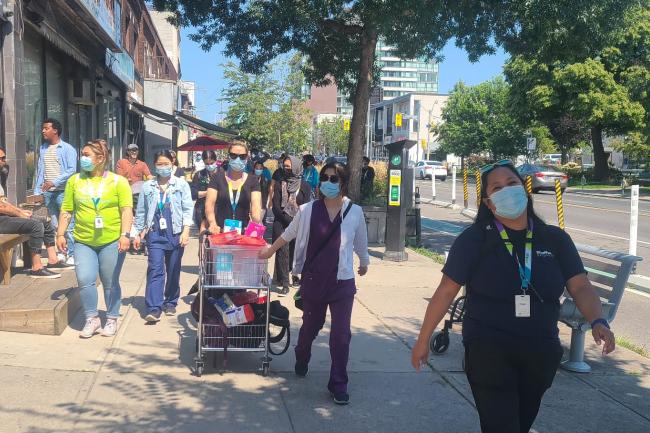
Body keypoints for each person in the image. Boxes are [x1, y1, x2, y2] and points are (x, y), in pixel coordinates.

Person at [411, 160, 616, 433]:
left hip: (540, 351)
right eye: (497, 188)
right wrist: (423, 339)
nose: (506, 190)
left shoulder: (553, 239)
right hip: (488, 349)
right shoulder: (474, 239)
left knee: (520, 422)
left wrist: (599, 321)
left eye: (512, 183)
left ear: (524, 189)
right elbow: (446, 291)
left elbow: (579, 286)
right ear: (488, 202)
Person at [259, 162, 369, 405]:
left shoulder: (354, 212)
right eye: (325, 178)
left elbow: (360, 240)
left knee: (341, 335)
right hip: (314, 281)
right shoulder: (308, 210)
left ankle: (338, 383)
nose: (329, 183)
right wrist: (269, 251)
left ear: (343, 182)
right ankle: (302, 355)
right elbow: (288, 234)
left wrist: (364, 262)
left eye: (334, 179)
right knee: (310, 327)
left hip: (342, 284)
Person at [57, 140, 133, 338]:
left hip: (111, 241)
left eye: (86, 154)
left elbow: (126, 210)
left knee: (109, 281)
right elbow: (66, 209)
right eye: (82, 154)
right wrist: (60, 233)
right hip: (83, 241)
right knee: (85, 279)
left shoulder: (118, 182)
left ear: (100, 158)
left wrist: (125, 234)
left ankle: (111, 318)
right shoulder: (75, 181)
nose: (83, 158)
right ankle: (91, 318)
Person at [134, 150, 193, 322]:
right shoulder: (148, 186)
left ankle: (171, 301)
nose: (163, 167)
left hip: (175, 233)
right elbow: (142, 211)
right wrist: (138, 233)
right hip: (154, 234)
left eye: (166, 163)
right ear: (154, 165)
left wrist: (186, 230)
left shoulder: (181, 185)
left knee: (173, 269)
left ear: (172, 163)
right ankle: (154, 307)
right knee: (155, 269)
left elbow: (187, 208)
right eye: (159, 164)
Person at [0, 147, 66, 278]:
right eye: (1, 159)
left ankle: (53, 260)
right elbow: (1, 207)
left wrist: (20, 210)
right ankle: (36, 268)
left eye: (4, 158)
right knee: (35, 225)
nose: (4, 161)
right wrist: (19, 214)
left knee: (44, 221)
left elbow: (4, 203)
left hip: (4, 217)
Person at [34, 118, 77, 265]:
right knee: (54, 225)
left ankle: (72, 253)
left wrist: (54, 182)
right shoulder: (43, 148)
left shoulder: (67, 149)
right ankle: (61, 253)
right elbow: (40, 171)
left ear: (55, 131)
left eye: (46, 128)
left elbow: (72, 170)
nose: (43, 131)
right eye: (43, 128)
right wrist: (37, 190)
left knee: (68, 224)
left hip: (63, 191)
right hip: (48, 193)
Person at [272, 155, 312, 294]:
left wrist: (297, 223)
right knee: (282, 251)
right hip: (281, 222)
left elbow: (307, 206)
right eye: (285, 166)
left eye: (289, 167)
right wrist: (288, 220)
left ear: (296, 167)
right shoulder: (279, 183)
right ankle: (284, 282)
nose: (286, 169)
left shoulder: (305, 186)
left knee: (295, 251)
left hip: (299, 223)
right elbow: (275, 206)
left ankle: (294, 274)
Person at [205, 139, 262, 234]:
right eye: (234, 155)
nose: (238, 159)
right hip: (220, 233)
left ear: (247, 158)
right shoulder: (216, 178)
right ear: (229, 157)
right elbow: (209, 205)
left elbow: (256, 208)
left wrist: (255, 224)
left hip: (243, 234)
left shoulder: (253, 180)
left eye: (242, 156)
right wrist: (212, 223)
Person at [116, 143, 152, 254]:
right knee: (125, 216)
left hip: (137, 194)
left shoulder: (142, 164)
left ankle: (141, 239)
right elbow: (120, 178)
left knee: (140, 216)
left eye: (135, 150)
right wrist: (127, 180)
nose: (133, 152)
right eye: (131, 150)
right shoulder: (121, 162)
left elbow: (149, 176)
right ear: (127, 152)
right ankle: (125, 238)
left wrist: (152, 181)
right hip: (124, 192)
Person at [190, 150, 218, 232]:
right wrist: (208, 193)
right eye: (207, 164)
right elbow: (193, 194)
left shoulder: (222, 174)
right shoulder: (199, 175)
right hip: (201, 210)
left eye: (211, 163)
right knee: (203, 235)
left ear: (215, 161)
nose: (209, 165)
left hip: (218, 210)